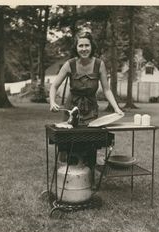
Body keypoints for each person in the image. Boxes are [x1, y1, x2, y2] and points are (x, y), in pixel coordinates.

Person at [49, 31, 124, 187]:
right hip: (72, 109)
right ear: (76, 47)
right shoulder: (69, 64)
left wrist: (117, 108)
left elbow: (107, 90)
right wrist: (52, 102)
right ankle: (68, 181)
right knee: (68, 142)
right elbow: (54, 85)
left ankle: (88, 182)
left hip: (91, 109)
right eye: (80, 45)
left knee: (90, 142)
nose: (84, 48)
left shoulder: (99, 64)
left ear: (92, 46)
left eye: (86, 45)